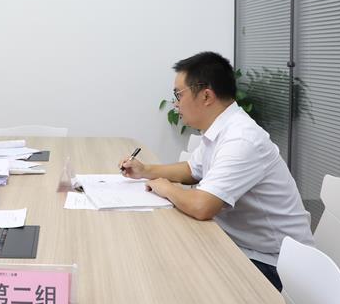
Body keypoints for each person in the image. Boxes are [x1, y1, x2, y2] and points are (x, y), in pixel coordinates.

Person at [119, 51, 313, 290]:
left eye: (179, 94)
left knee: (173, 276)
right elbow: (191, 169)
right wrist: (145, 170)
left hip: (275, 264)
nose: (176, 103)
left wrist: (165, 187)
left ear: (206, 96)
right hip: (242, 245)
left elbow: (202, 206)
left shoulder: (242, 139)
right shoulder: (221, 129)